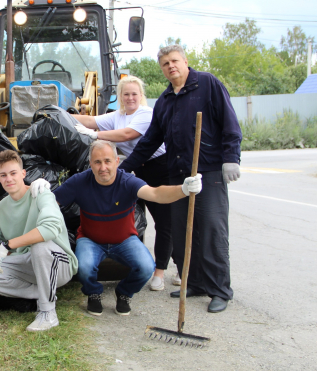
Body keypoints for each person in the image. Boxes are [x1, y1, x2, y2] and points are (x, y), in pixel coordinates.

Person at [120, 44, 242, 313]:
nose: (170, 66)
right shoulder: (164, 101)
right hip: (177, 176)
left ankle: (220, 289)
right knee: (184, 231)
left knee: (211, 230)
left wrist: (232, 157)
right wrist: (126, 167)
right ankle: (195, 282)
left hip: (208, 171)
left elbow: (229, 122)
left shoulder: (208, 84)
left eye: (174, 61)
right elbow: (149, 141)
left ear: (186, 62)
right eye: (165, 64)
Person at [52, 140, 202, 316]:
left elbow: (155, 194)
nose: (103, 167)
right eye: (97, 162)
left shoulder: (128, 181)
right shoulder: (79, 182)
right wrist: (41, 191)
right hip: (90, 240)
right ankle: (93, 292)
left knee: (146, 267)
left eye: (107, 161)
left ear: (117, 161)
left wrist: (183, 189)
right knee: (83, 267)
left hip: (124, 240)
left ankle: (124, 293)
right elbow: (52, 201)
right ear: (90, 164)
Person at [73, 75, 178, 291]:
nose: (130, 98)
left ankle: (160, 271)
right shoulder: (118, 115)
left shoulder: (147, 113)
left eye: (134, 94)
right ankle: (178, 264)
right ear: (120, 96)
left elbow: (127, 134)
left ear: (141, 96)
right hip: (137, 168)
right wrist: (64, 116)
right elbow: (91, 120)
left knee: (165, 221)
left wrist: (93, 135)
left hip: (160, 168)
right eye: (126, 94)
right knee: (143, 216)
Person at [0, 150, 78, 332]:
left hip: (59, 263)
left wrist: (10, 244)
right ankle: (44, 293)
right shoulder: (0, 208)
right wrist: (4, 252)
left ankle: (48, 312)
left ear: (23, 174)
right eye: (3, 175)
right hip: (28, 263)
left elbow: (51, 228)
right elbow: (6, 241)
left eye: (13, 173)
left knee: (40, 246)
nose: (9, 179)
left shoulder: (41, 193)